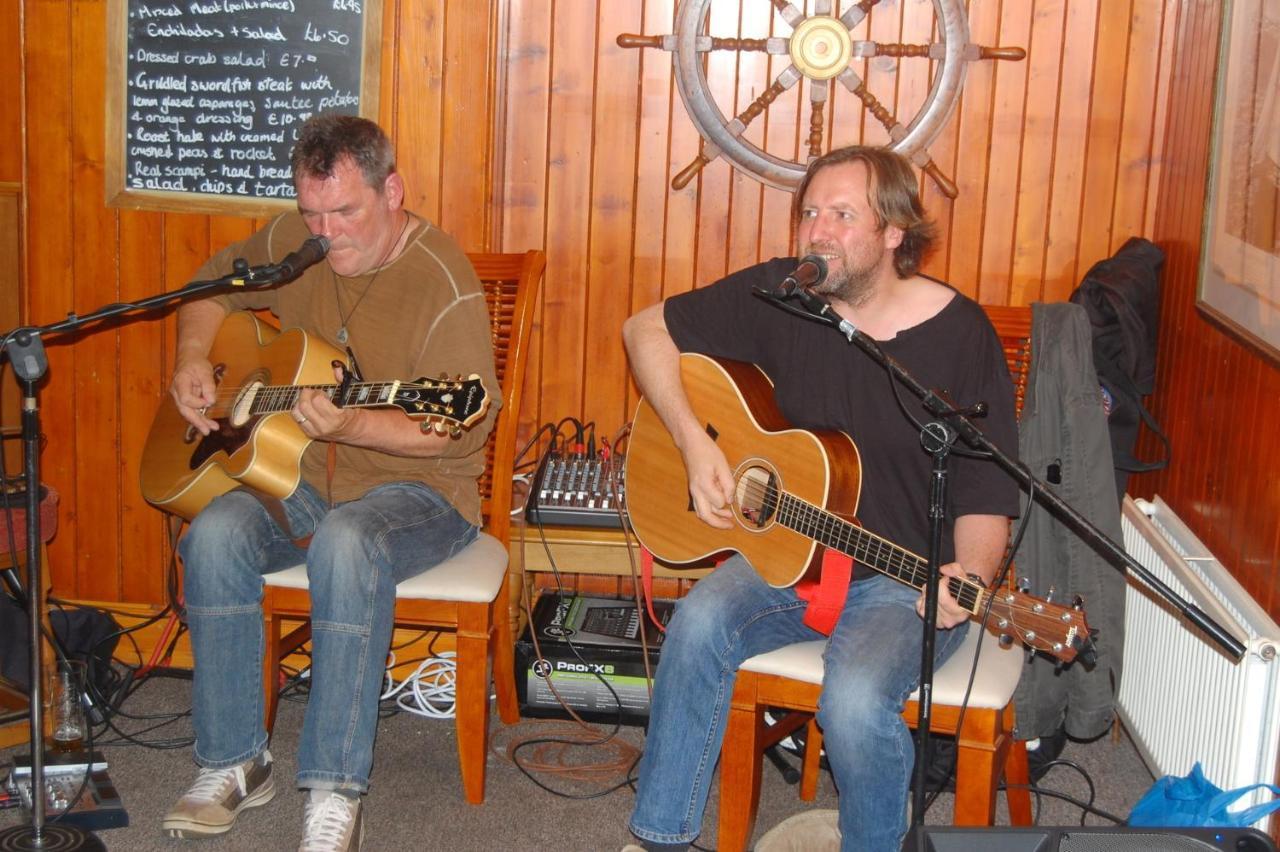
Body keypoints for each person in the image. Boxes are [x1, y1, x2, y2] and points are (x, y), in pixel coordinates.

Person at [620, 146, 1020, 852]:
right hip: (790, 552)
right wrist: (693, 442)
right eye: (810, 213)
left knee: (856, 699)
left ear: (895, 232)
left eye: (842, 214)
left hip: (906, 582)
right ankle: (660, 837)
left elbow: (988, 485)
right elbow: (643, 328)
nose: (818, 231)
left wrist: (973, 575)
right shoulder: (785, 295)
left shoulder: (961, 334)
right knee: (697, 625)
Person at [160, 114, 498, 852]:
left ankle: (335, 790)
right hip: (304, 475)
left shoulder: (444, 280)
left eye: (346, 212)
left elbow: (460, 426)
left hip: (424, 492)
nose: (326, 234)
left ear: (393, 191)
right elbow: (208, 290)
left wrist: (351, 427)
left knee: (347, 541)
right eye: (313, 213)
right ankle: (235, 762)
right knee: (215, 532)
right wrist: (194, 357)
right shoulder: (297, 242)